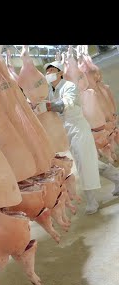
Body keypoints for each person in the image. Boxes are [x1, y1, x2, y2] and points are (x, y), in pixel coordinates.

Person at [34, 60, 119, 214]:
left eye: (52, 71)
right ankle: (118, 178)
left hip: (79, 129)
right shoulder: (51, 90)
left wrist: (47, 106)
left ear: (60, 72)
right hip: (68, 131)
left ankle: (92, 201)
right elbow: (47, 102)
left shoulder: (69, 86)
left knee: (84, 165)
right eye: (47, 72)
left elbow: (66, 103)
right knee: (90, 162)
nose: (49, 74)